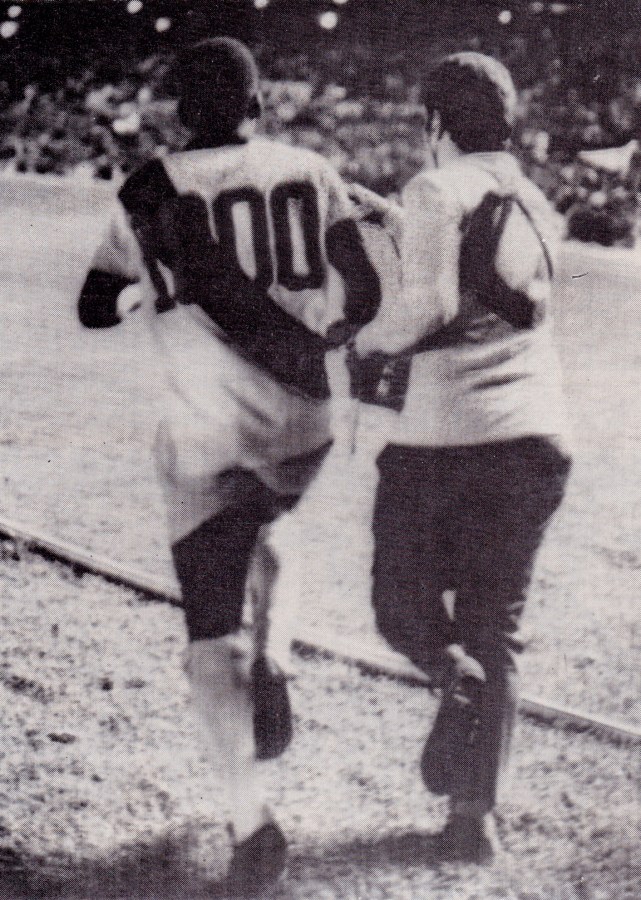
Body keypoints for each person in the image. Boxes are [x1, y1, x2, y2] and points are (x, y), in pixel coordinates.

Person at [78, 37, 380, 893]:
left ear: (181, 110)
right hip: (303, 418)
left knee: (211, 634)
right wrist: (321, 338)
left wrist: (145, 295)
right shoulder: (310, 169)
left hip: (205, 431)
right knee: (269, 518)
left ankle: (252, 824)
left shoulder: (148, 189)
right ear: (256, 104)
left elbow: (94, 305)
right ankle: (277, 649)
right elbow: (362, 291)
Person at [349, 52, 572, 863]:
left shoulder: (435, 189)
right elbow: (486, 274)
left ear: (435, 122)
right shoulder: (537, 201)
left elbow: (432, 304)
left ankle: (452, 676)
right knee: (494, 623)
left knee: (399, 606)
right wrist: (399, 222)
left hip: (446, 440)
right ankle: (472, 820)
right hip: (536, 439)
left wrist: (364, 341)